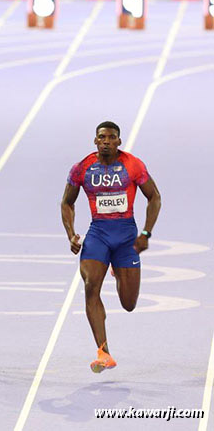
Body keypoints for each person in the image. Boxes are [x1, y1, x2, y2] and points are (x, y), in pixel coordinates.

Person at [61, 121, 161, 373]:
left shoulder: (132, 165)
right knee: (90, 285)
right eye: (101, 137)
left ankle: (117, 269)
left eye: (111, 137)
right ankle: (103, 352)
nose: (106, 141)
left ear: (118, 141)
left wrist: (146, 233)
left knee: (129, 303)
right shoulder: (82, 168)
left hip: (126, 237)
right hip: (98, 235)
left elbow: (154, 197)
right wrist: (71, 234)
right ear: (95, 141)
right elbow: (66, 203)